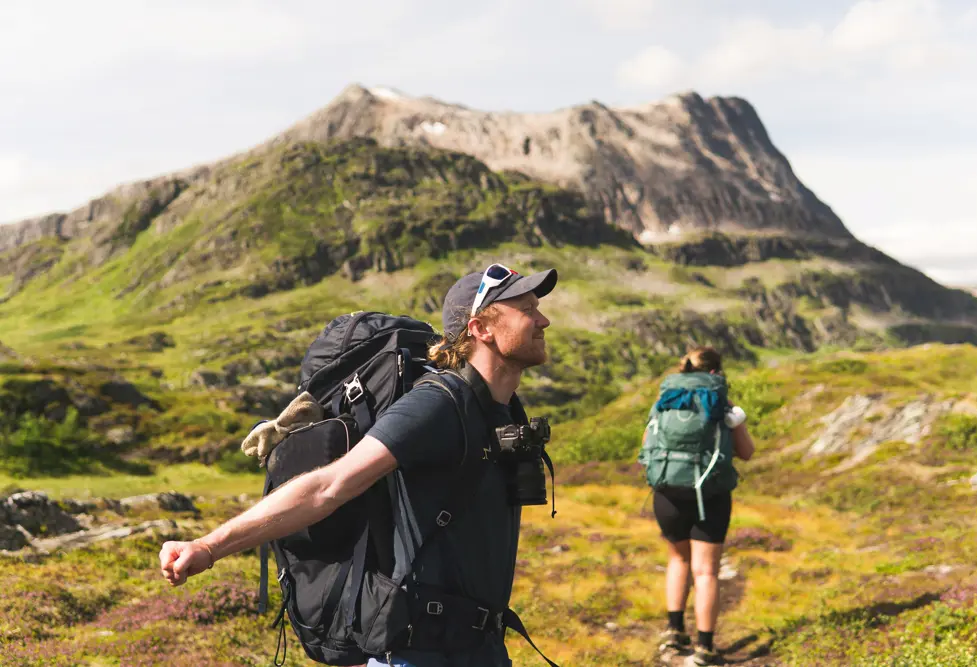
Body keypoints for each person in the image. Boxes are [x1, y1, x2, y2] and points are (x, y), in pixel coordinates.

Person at [159, 263, 558, 667]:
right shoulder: (436, 405)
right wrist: (208, 546)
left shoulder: (504, 411)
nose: (543, 319)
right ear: (481, 328)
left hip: (481, 650)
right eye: (526, 308)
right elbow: (328, 487)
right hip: (420, 654)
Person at [650, 347, 754, 666]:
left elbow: (647, 446)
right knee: (706, 570)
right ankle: (704, 650)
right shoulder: (723, 404)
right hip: (709, 496)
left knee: (678, 560)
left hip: (667, 494)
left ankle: (674, 632)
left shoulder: (664, 401)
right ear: (716, 374)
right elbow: (747, 452)